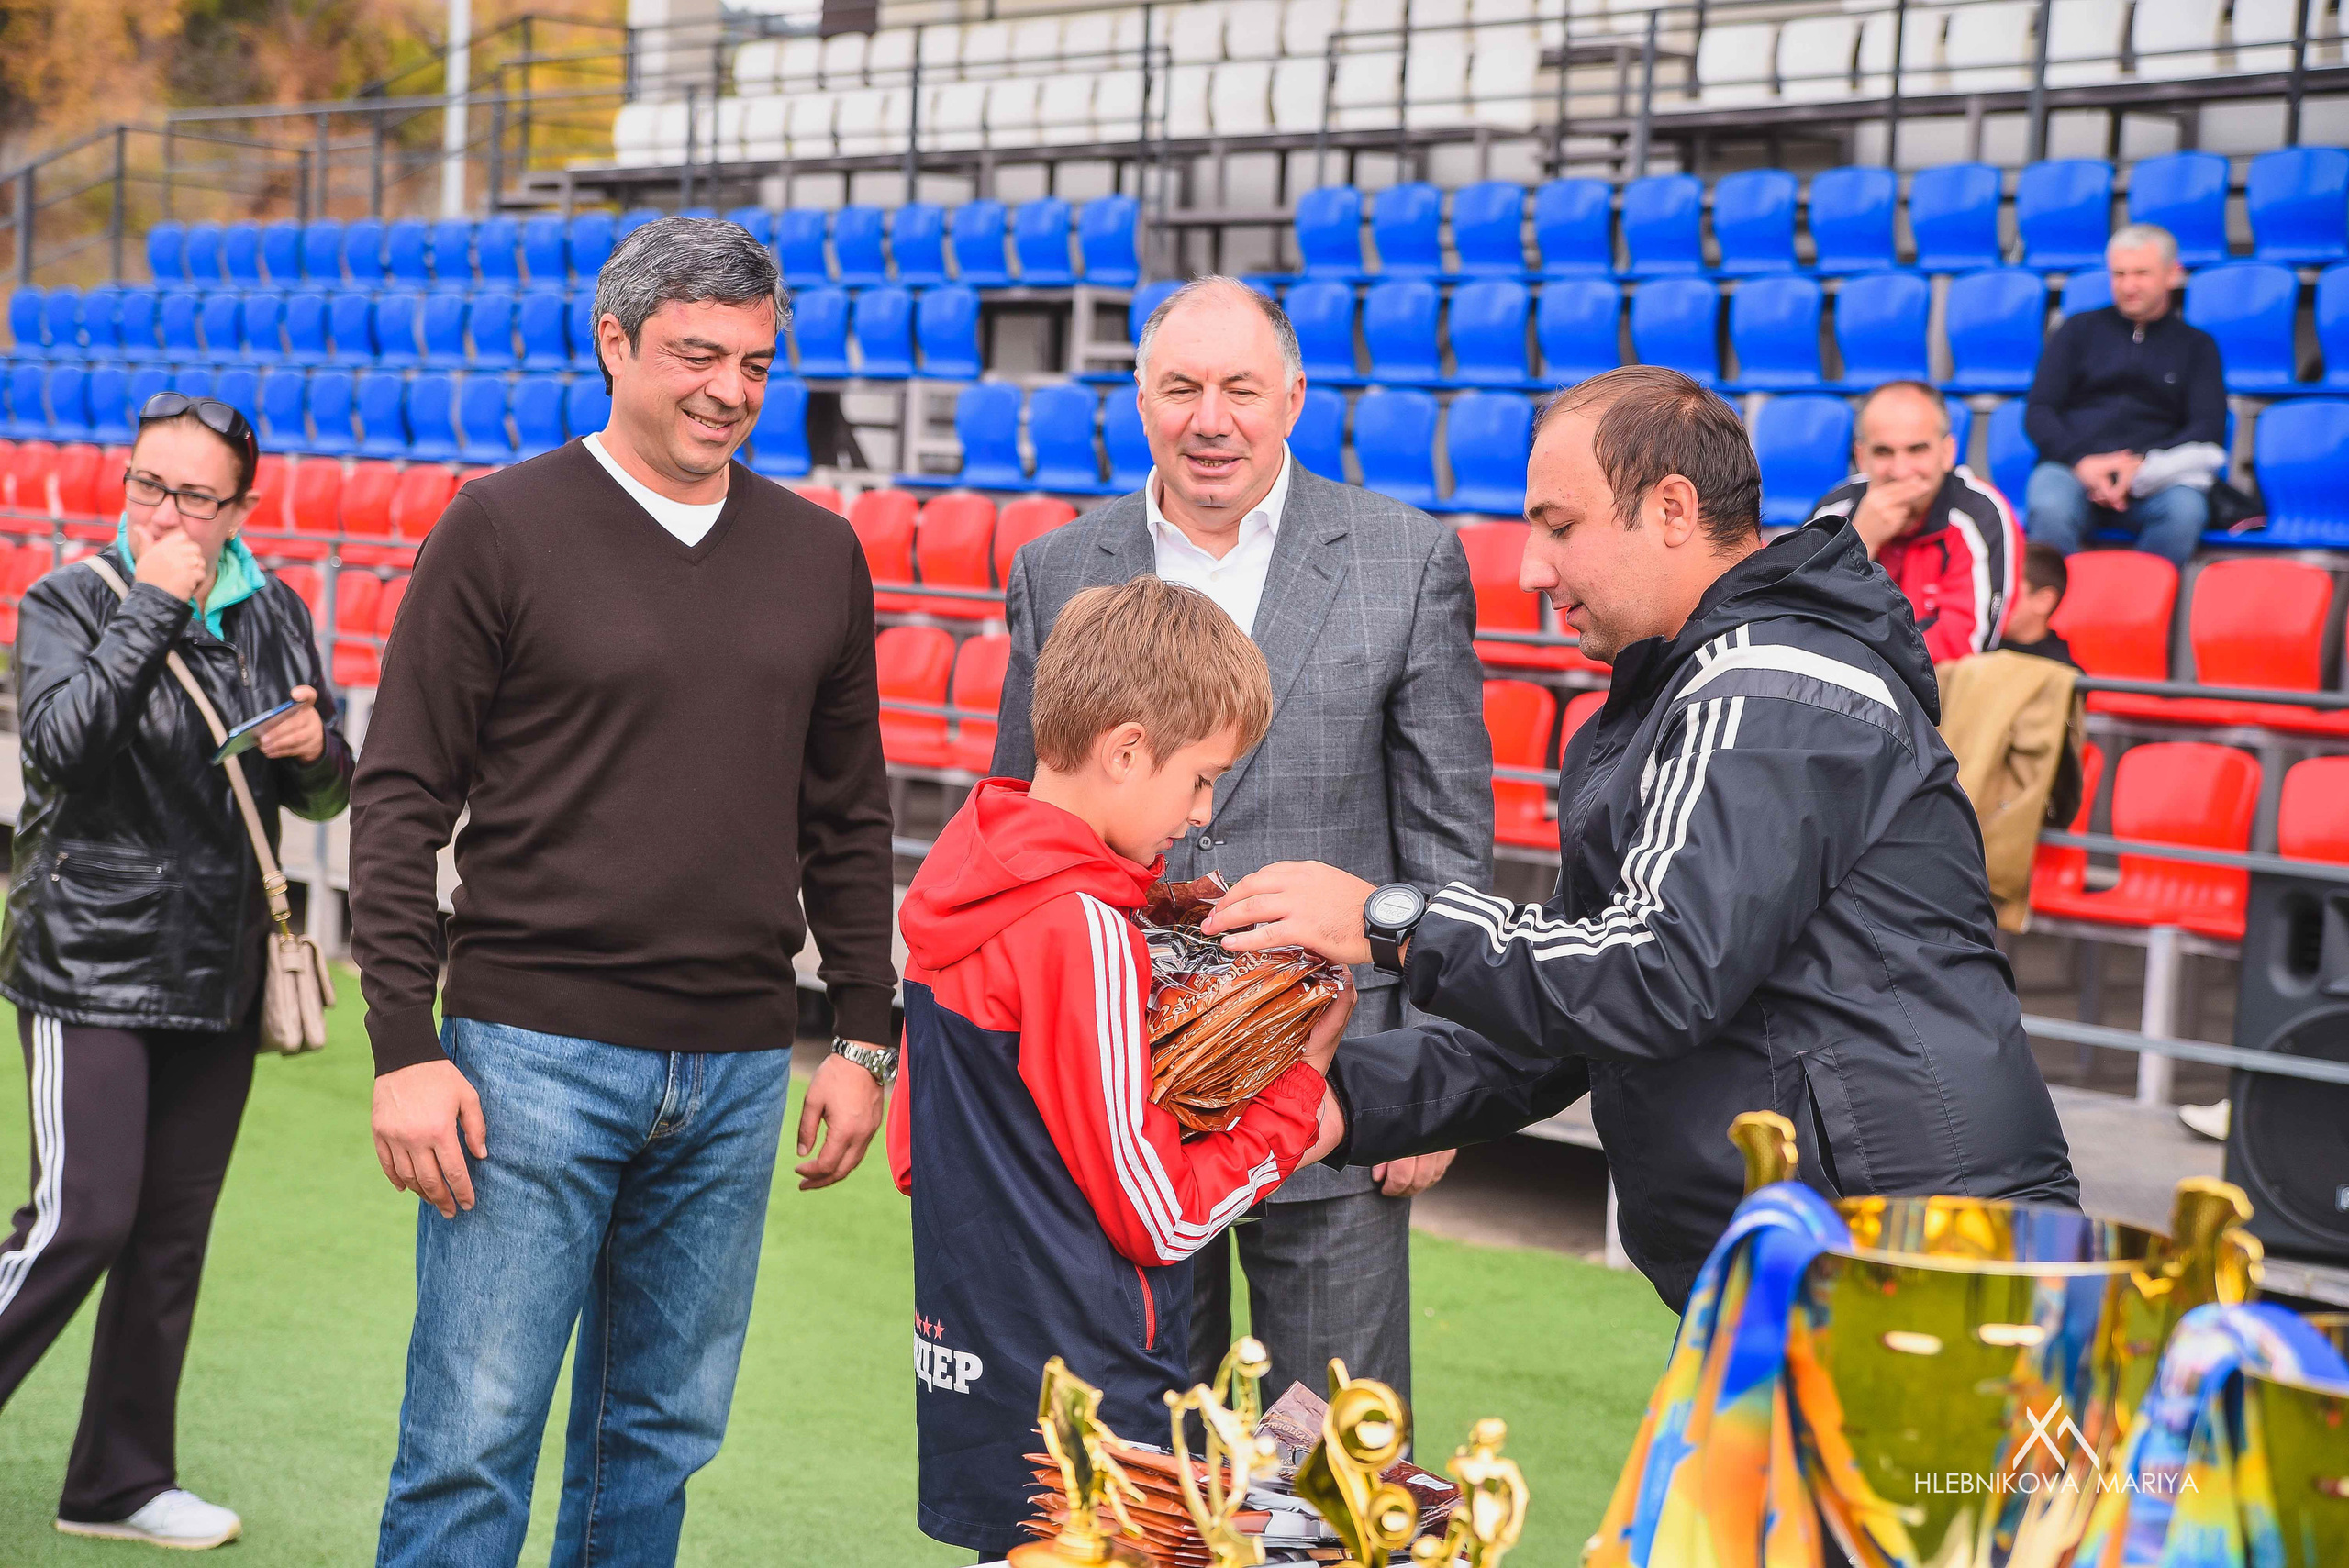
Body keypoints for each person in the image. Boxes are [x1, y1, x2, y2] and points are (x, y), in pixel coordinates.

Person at [1200, 367, 2080, 1314]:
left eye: (1559, 526)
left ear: (1671, 508)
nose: (1533, 567)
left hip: (1913, 1269)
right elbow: (1582, 1022)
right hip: (1828, 1264)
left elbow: (1653, 971)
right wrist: (1336, 1100)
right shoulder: (1697, 689)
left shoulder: (1765, 686)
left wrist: (1390, 917)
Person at [349, 217, 897, 1567]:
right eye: (696, 355)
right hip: (526, 1057)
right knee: (471, 1440)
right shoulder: (499, 527)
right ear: (613, 343)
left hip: (729, 1071)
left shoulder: (820, 554)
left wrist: (865, 1036)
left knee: (655, 1440)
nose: (729, 389)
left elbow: (849, 816)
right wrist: (403, 1048)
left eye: (757, 364)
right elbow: (400, 793)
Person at [988, 275, 1490, 1410]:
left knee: (1328, 1460)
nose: (1209, 417)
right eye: (1180, 387)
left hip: (1329, 1083)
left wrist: (1439, 1077)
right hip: (1114, 1099)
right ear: (1138, 397)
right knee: (1143, 1451)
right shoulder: (1058, 567)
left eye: (1239, 388)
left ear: (1294, 397)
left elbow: (1449, 835)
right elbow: (1022, 818)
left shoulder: (1404, 560)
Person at [889, 576, 1353, 1557]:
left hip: (972, 1365)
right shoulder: (1084, 930)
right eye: (1198, 778)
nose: (1201, 810)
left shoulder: (957, 870)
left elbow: (911, 1153)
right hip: (1093, 1383)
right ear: (1126, 749)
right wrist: (1298, 1097)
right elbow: (1160, 1212)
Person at [0, 394, 351, 1551]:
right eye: (149, 485)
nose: (167, 510)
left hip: (220, 963)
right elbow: (62, 743)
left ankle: (117, 1480)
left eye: (196, 495)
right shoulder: (68, 600)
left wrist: (317, 748)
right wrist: (157, 596)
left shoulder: (279, 612)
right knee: (80, 1218)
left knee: (168, 1234)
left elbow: (327, 785)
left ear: (245, 508)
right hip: (87, 958)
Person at [2023, 223, 2227, 566]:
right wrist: (2083, 461)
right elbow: (2039, 411)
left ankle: (2140, 614)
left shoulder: (2197, 346)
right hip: (2072, 467)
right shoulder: (2077, 330)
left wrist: (2140, 464)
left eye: (2141, 274)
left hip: (2156, 474)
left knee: (2184, 512)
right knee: (2049, 506)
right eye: (2119, 274)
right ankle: (2062, 615)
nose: (2128, 286)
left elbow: (2207, 426)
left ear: (2173, 274)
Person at [1806, 380, 2020, 664]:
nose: (1901, 470)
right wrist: (1860, 542)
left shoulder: (1979, 515)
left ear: (1947, 453)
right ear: (1861, 456)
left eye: (1917, 450)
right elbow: (1800, 624)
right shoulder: (1834, 511)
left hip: (1943, 703)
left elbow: (1965, 648)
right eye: (1883, 452)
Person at [1998, 542, 2078, 668]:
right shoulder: (1976, 648)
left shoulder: (2063, 674)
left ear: (2044, 601)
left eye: (2008, 590)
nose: (1996, 599)